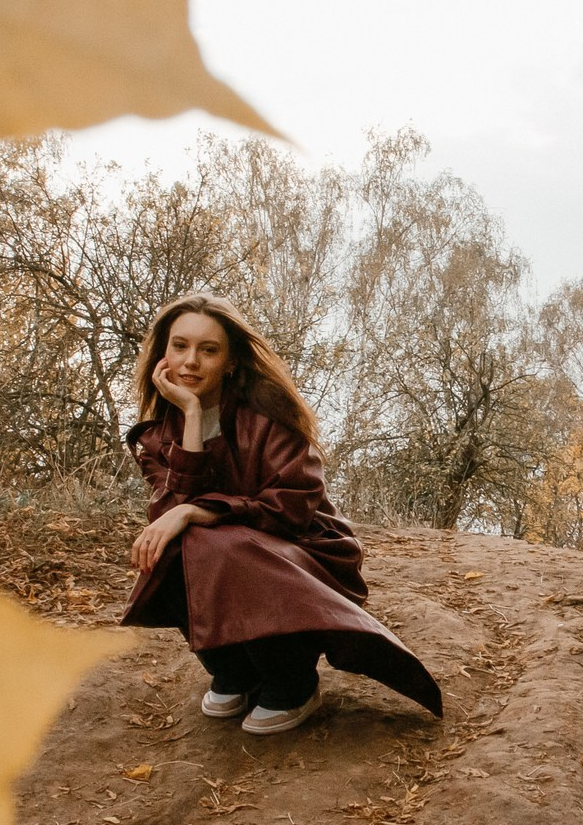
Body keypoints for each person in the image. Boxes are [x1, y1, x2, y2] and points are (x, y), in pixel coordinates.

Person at [120, 292, 442, 734]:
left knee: (217, 543)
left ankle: (292, 681)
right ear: (163, 354)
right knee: (175, 546)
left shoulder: (269, 413)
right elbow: (172, 512)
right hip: (231, 550)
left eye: (208, 349)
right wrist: (192, 415)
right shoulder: (156, 436)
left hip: (305, 548)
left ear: (230, 361)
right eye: (180, 346)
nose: (190, 361)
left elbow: (291, 505)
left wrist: (198, 512)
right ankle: (234, 670)